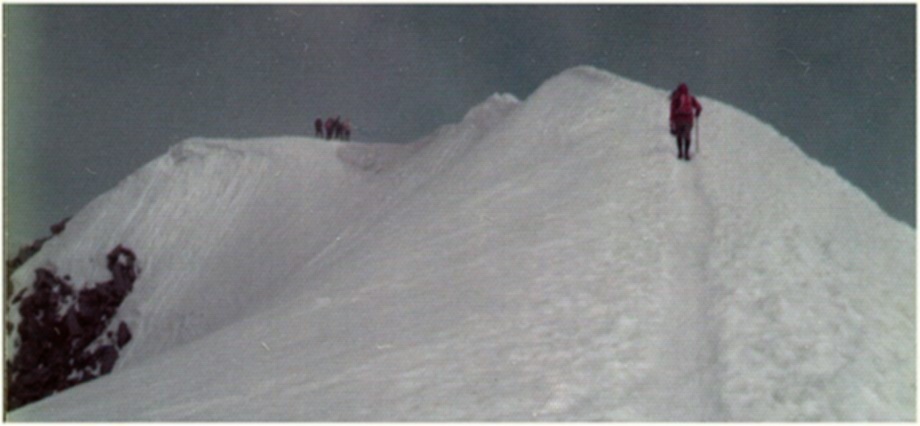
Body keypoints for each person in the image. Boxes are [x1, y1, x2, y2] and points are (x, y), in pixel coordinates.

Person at [669, 83, 702, 161]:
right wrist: (697, 113)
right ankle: (687, 153)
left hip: (678, 120)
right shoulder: (690, 98)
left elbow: (672, 110)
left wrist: (672, 121)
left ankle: (680, 152)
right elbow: (699, 107)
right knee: (687, 136)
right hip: (688, 120)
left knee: (679, 136)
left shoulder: (676, 98)